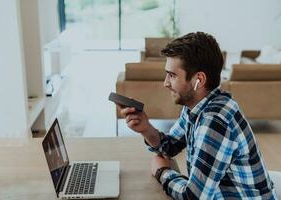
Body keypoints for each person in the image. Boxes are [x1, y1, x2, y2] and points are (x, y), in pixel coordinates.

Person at [118, 32, 277, 199]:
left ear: (198, 80)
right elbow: (170, 146)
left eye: (172, 75)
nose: (165, 83)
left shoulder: (215, 120)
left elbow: (193, 196)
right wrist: (145, 128)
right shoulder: (196, 106)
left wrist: (162, 172)